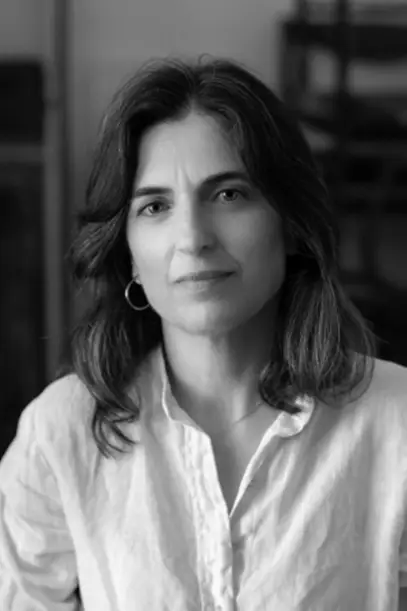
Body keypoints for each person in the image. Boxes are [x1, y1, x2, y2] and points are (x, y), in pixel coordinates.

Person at [0, 54, 406, 611]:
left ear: (291, 225)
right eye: (155, 206)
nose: (192, 237)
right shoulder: (60, 432)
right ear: (128, 252)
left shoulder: (395, 422)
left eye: (229, 194)